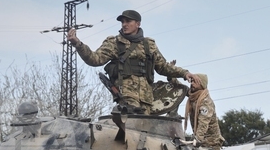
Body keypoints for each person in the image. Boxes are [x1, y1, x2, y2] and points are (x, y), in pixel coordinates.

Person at [66, 9, 197, 114]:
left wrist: (184, 74)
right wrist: (77, 44)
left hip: (146, 98)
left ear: (138, 24)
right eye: (122, 22)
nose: (124, 24)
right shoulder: (114, 43)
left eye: (128, 21)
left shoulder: (149, 45)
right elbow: (94, 59)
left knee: (144, 133)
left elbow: (163, 67)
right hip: (126, 97)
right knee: (130, 131)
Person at [185, 73, 224, 150]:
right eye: (191, 81)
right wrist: (171, 78)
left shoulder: (206, 102)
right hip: (200, 141)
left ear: (202, 84)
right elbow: (180, 88)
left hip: (211, 143)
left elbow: (203, 123)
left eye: (195, 82)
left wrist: (197, 139)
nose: (192, 84)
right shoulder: (193, 96)